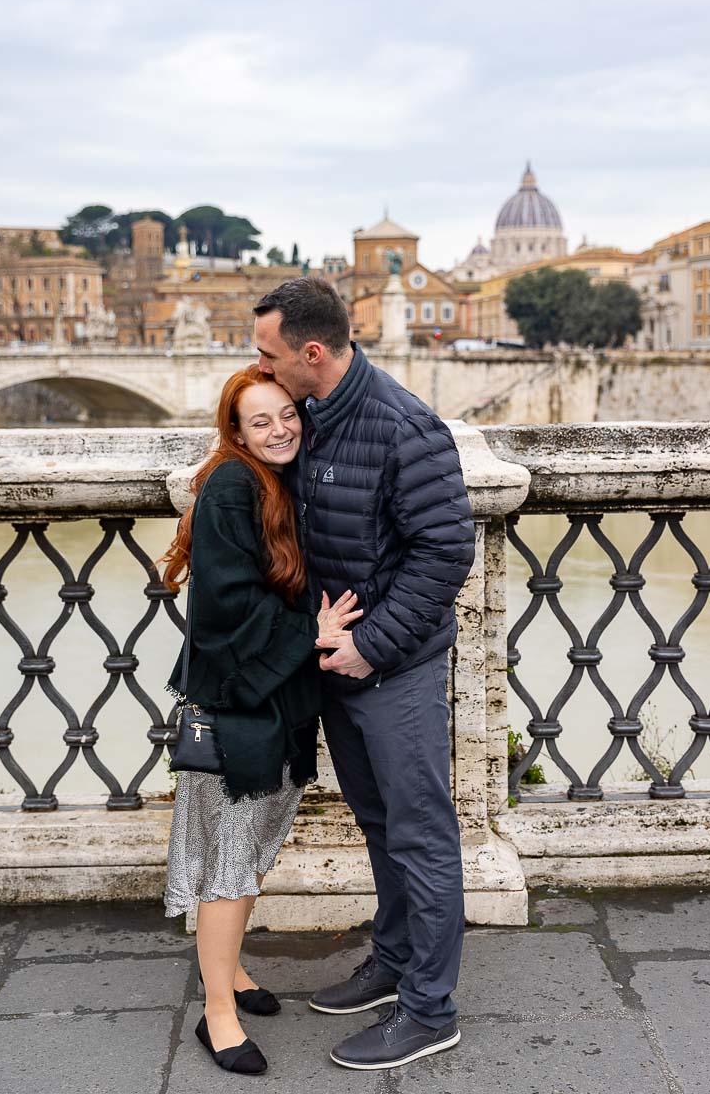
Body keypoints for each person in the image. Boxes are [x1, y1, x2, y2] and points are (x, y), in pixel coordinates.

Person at [253, 277, 476, 1071]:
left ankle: (430, 1009)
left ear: (312, 354)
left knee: (420, 835)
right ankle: (393, 960)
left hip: (394, 671)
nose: (261, 368)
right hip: (340, 668)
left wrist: (371, 645)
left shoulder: (404, 427)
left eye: (269, 355)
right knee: (380, 826)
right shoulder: (309, 415)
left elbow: (447, 552)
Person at [160, 365, 362, 1077]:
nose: (279, 429)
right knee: (232, 861)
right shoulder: (231, 486)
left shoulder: (277, 479)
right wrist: (311, 628)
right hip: (237, 704)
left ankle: (233, 971)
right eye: (260, 421)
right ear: (236, 432)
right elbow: (223, 607)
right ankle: (217, 1014)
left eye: (288, 414)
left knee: (252, 848)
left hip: (272, 701)